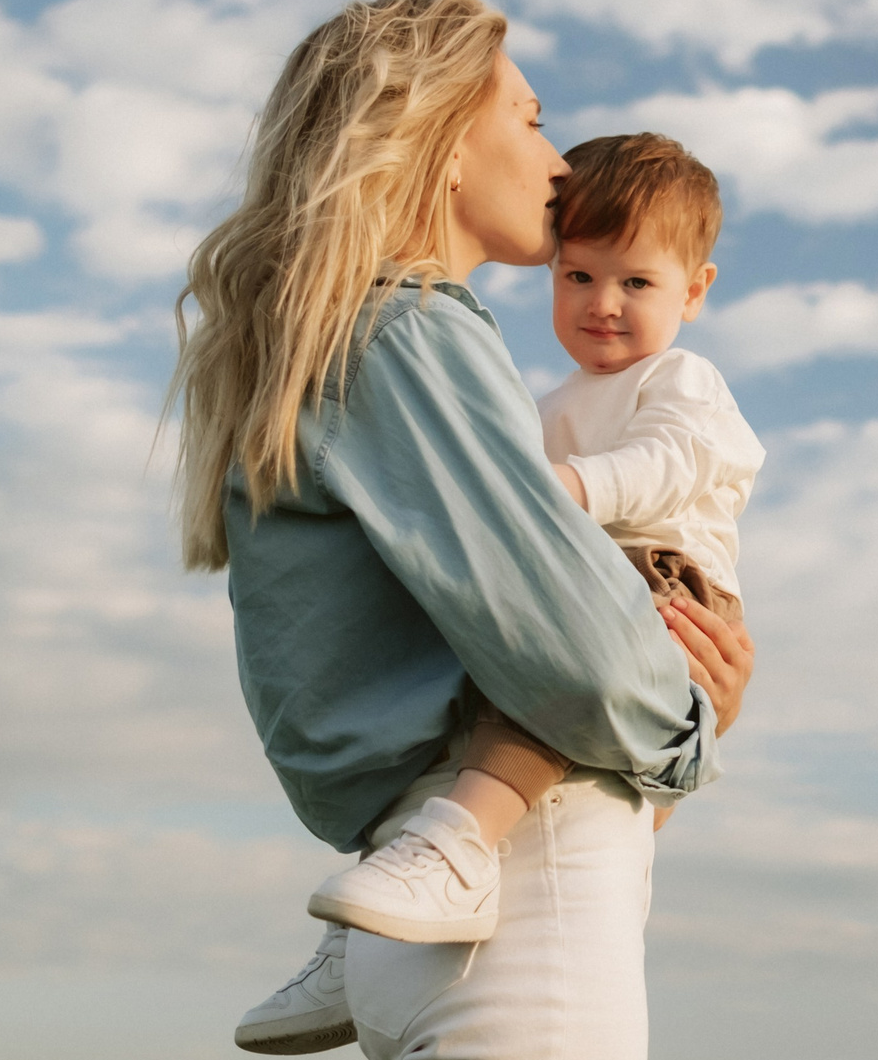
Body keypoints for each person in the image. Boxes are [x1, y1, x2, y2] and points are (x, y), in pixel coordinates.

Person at [171, 0, 751, 1060]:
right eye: (529, 120)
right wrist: (694, 717)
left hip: (421, 890)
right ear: (435, 138)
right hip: (524, 904)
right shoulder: (416, 329)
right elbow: (578, 657)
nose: (556, 164)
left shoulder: (328, 351)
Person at [302, 130, 763, 943]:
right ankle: (374, 929)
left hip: (663, 575)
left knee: (552, 681)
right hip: (595, 567)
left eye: (636, 281)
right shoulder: (548, 403)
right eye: (578, 276)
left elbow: (679, 459)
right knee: (489, 691)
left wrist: (566, 491)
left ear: (694, 291)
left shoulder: (681, 379)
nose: (603, 303)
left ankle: (458, 847)